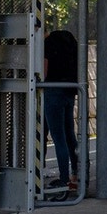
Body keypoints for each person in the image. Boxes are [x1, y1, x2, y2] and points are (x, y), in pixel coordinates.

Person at [42, 28, 80, 190]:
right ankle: (76, 174)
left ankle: (63, 179)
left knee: (58, 138)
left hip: (52, 91)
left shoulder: (48, 44)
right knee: (69, 135)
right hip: (69, 90)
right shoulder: (70, 42)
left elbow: (44, 71)